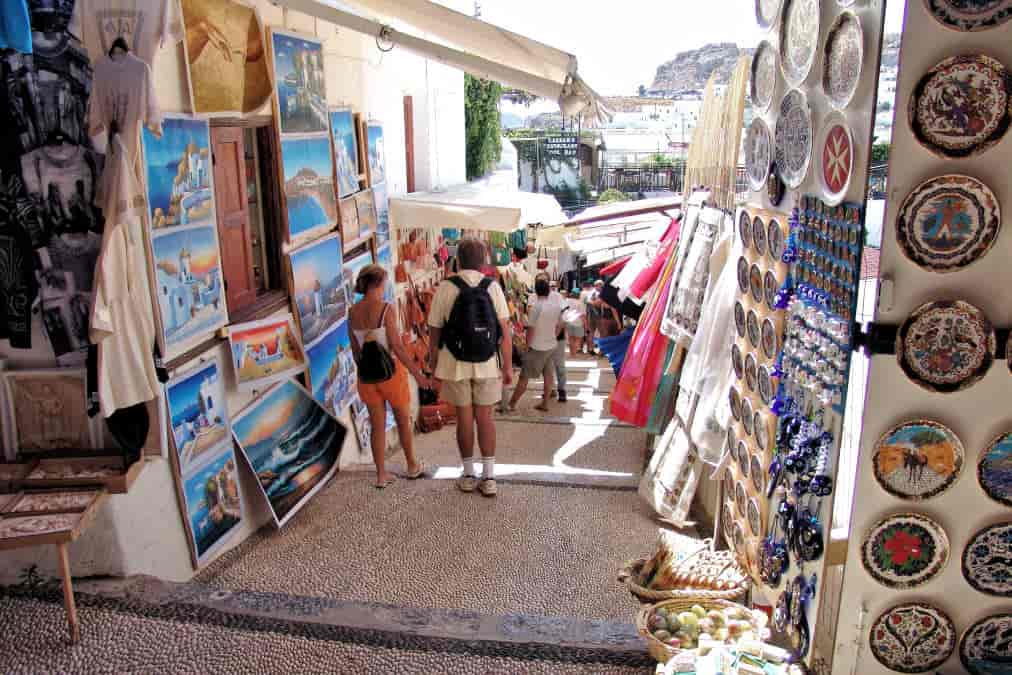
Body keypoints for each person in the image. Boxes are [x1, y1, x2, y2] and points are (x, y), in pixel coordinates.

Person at [427, 238, 513, 497]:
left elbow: (434, 331)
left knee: (464, 418)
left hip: (454, 363)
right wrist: (507, 366)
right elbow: (504, 333)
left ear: (458, 260)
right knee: (485, 418)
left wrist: (433, 366)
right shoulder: (493, 288)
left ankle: (467, 473)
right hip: (487, 363)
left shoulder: (446, 287)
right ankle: (489, 478)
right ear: (484, 261)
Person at [349, 265, 431, 488]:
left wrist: (367, 371)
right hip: (391, 375)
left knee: (377, 425)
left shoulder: (352, 312)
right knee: (403, 421)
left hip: (367, 378)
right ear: (378, 284)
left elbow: (356, 351)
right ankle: (412, 466)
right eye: (384, 282)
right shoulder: (386, 309)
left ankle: (381, 475)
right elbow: (397, 346)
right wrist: (418, 375)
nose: (385, 287)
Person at [508, 273, 565, 413]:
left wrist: (527, 345)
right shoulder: (555, 306)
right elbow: (561, 323)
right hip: (551, 345)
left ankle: (511, 404)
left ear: (536, 291)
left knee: (524, 377)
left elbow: (531, 330)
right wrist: (554, 335)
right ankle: (544, 403)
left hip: (537, 346)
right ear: (548, 291)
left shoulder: (535, 308)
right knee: (548, 375)